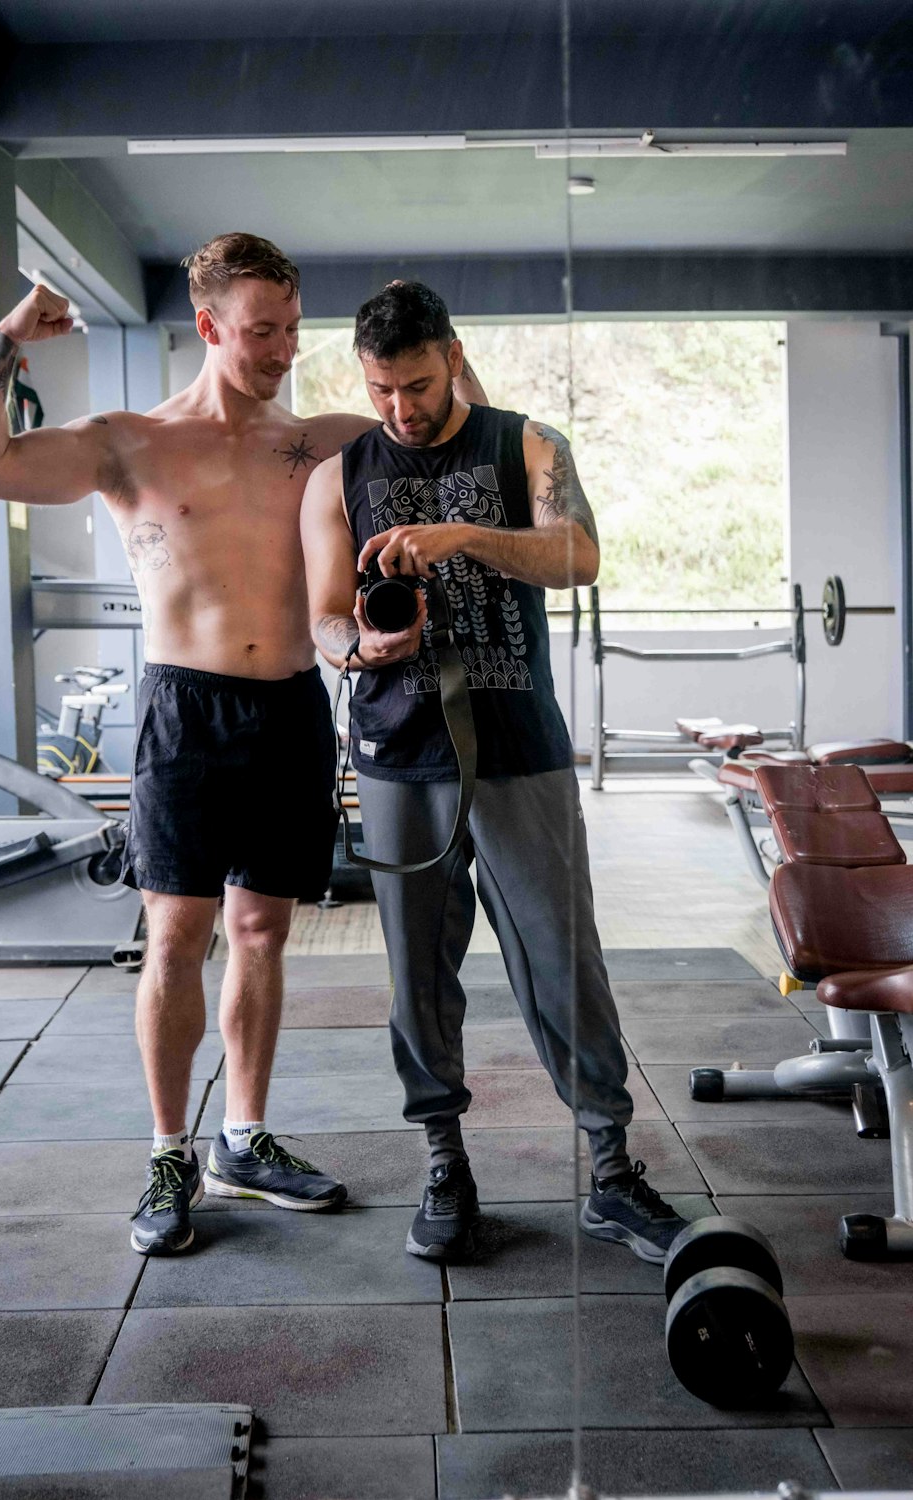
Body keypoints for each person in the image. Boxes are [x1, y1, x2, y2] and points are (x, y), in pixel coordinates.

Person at [0, 237, 485, 1257]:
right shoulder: (129, 441)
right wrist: (5, 345)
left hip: (291, 706)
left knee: (261, 934)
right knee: (178, 936)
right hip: (184, 710)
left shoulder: (323, 442)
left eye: (291, 327)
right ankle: (167, 1151)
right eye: (261, 332)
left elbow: (456, 438)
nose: (283, 348)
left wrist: (434, 331)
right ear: (207, 328)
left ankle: (242, 1137)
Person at [301, 280, 687, 1266]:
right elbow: (323, 614)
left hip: (520, 748)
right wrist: (360, 649)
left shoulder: (527, 445)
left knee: (563, 959)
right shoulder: (335, 475)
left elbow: (580, 555)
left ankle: (610, 1169)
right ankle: (444, 1163)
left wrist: (464, 536)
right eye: (382, 389)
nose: (400, 408)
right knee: (416, 975)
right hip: (398, 758)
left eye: (418, 384)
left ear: (453, 355)